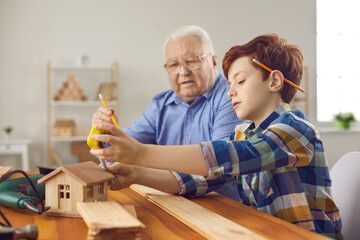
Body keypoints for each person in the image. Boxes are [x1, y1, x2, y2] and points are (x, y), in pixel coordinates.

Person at [90, 34, 343, 239]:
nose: (231, 92)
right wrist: (137, 174)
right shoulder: (243, 132)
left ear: (274, 81)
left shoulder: (296, 127)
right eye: (230, 85)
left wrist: (141, 153)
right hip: (263, 231)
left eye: (240, 81)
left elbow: (235, 156)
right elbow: (203, 178)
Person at [92, 25, 243, 200]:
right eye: (174, 64)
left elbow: (220, 165)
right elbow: (123, 149)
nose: (183, 72)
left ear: (214, 61)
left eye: (192, 61)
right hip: (171, 205)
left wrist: (140, 163)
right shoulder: (160, 104)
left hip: (225, 211)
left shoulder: (232, 98)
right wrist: (107, 132)